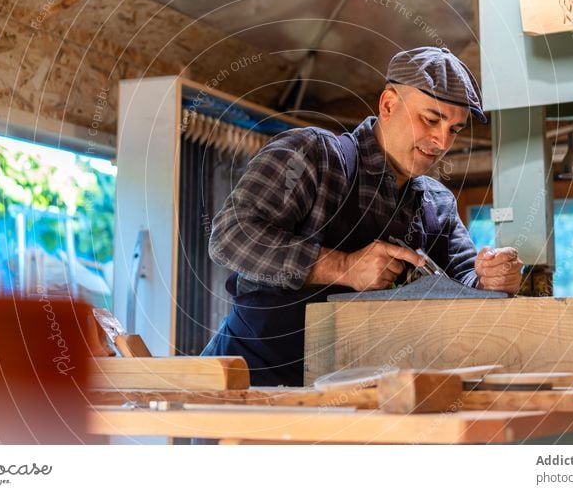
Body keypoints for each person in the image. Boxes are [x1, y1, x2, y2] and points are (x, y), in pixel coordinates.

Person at [202, 46, 523, 386]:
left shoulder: (437, 203)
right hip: (252, 382)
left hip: (355, 392)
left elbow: (464, 284)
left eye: (455, 130)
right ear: (388, 105)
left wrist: (491, 280)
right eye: (430, 120)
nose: (442, 141)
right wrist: (344, 266)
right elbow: (229, 237)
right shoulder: (312, 155)